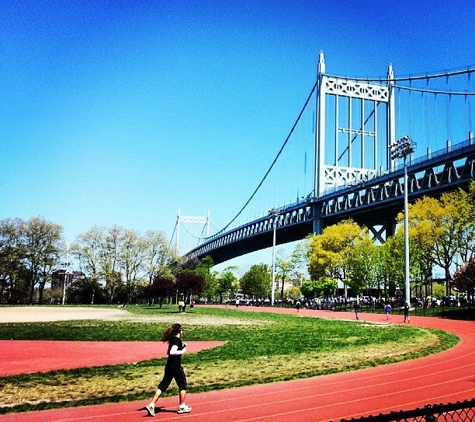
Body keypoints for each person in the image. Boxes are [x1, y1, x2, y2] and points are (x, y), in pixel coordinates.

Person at [145, 323, 192, 416]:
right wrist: (182, 351)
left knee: (163, 385)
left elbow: (169, 352)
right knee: (183, 386)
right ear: (179, 331)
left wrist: (182, 347)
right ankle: (182, 406)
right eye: (182, 330)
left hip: (169, 366)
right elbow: (172, 352)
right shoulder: (177, 340)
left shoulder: (172, 340)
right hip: (176, 367)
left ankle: (152, 404)